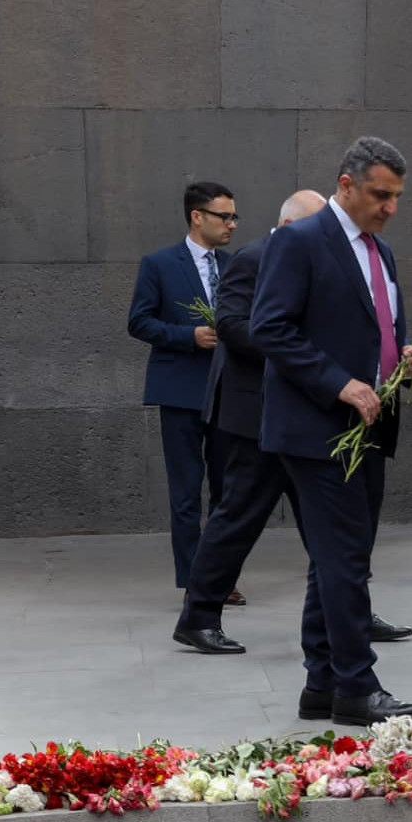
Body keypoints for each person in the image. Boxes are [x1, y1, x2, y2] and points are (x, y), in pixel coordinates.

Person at [171, 189, 412, 664]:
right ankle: (198, 616)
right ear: (289, 226)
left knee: (335, 528)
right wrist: (300, 355)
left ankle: (353, 612)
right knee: (239, 516)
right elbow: (234, 324)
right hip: (255, 416)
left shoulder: (335, 256)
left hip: (312, 415)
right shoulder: (253, 258)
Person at [250, 138, 412, 727]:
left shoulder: (381, 251)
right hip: (316, 430)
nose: (391, 207)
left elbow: (369, 325)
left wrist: (400, 364)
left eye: (398, 196)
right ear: (346, 185)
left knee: (334, 559)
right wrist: (341, 384)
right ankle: (357, 686)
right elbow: (269, 328)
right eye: (381, 194)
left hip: (369, 427)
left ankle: (322, 682)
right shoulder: (300, 241)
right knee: (345, 561)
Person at [129, 181, 237, 598]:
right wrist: (187, 336)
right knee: (186, 492)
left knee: (227, 491)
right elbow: (139, 322)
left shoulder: (235, 264)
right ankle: (195, 582)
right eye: (223, 216)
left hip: (229, 392)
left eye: (233, 217)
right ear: (197, 216)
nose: (231, 224)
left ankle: (221, 576)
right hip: (181, 391)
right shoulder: (159, 264)